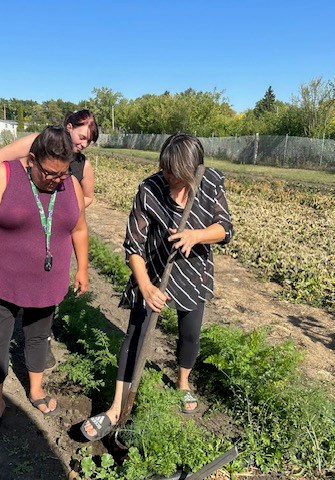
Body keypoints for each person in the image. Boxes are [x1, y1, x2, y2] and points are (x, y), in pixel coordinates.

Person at [80, 133, 233, 442]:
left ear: (190, 171)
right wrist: (147, 287)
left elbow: (225, 229)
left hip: (193, 271)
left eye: (172, 172)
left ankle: (183, 384)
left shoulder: (210, 182)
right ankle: (115, 409)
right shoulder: (149, 190)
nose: (166, 175)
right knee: (135, 336)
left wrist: (195, 236)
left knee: (189, 333)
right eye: (163, 168)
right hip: (152, 268)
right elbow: (133, 245)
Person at [0, 126, 89, 441]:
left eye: (63, 174)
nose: (56, 180)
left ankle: (35, 390)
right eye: (49, 173)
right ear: (31, 159)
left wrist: (82, 269)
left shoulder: (69, 184)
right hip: (1, 281)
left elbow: (79, 230)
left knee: (38, 338)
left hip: (47, 283)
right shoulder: (2, 176)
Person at [0, 109, 99, 207]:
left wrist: (68, 209)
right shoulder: (37, 142)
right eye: (82, 137)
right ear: (69, 127)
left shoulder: (83, 164)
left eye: (89, 141)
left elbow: (88, 197)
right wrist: (6, 198)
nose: (84, 144)